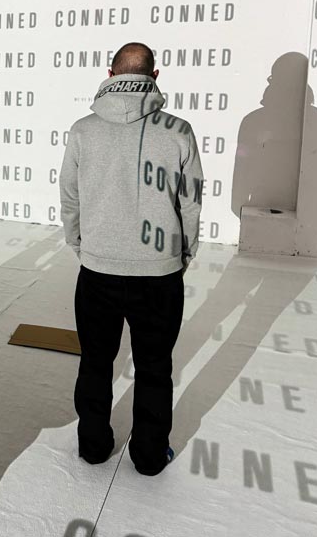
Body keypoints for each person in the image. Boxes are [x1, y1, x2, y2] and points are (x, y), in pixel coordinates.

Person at [59, 41, 202, 476]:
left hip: (98, 270)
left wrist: (83, 246)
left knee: (96, 362)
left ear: (109, 74)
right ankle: (149, 456)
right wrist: (182, 255)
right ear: (154, 77)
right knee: (155, 368)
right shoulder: (178, 131)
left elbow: (70, 198)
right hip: (158, 274)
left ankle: (94, 447)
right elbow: (191, 203)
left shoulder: (83, 129)